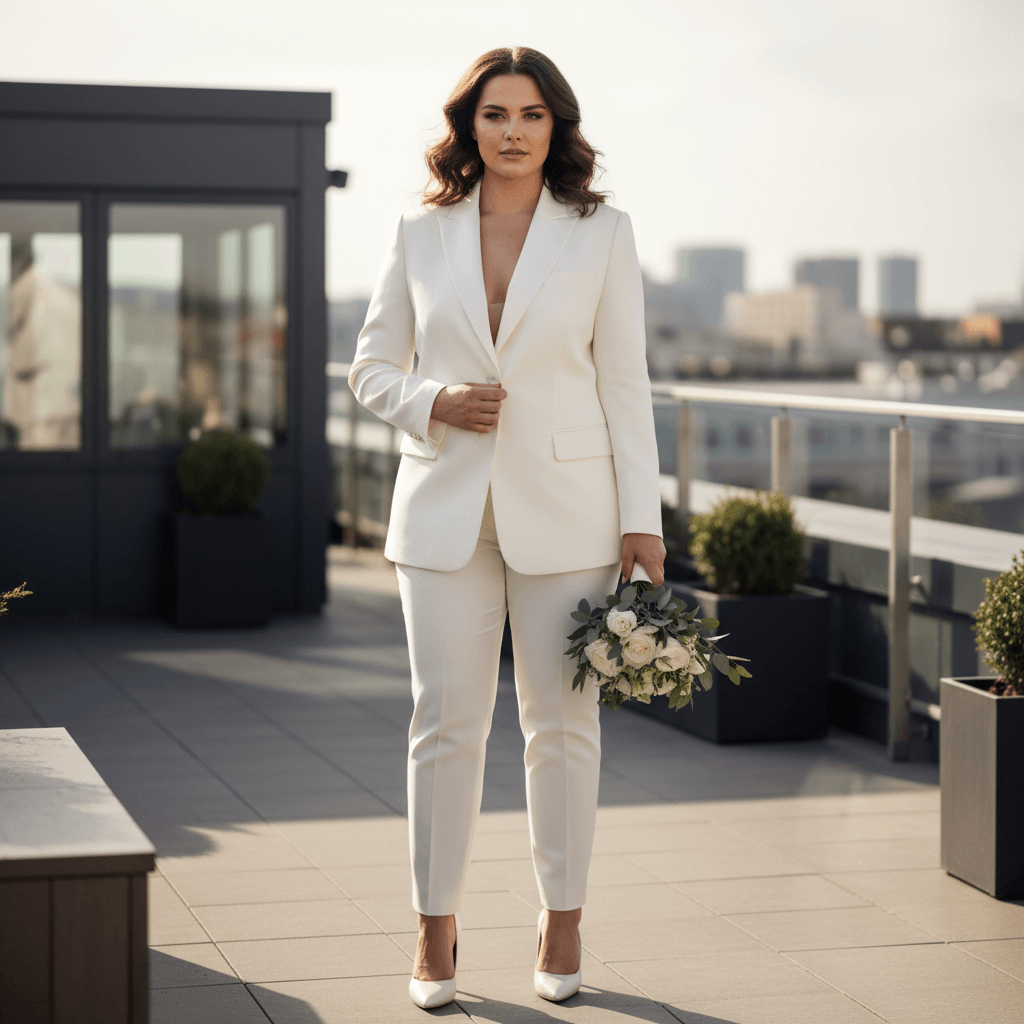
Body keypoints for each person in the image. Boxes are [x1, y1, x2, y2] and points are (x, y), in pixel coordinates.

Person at [348, 46, 664, 1009]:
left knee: (562, 725)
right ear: (469, 127)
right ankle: (433, 934)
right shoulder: (421, 226)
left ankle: (561, 919)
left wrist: (641, 524)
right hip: (442, 508)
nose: (514, 131)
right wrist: (435, 398)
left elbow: (624, 385)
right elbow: (369, 369)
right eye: (496, 114)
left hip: (570, 512)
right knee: (443, 723)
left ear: (556, 126)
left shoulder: (602, 232)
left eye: (532, 114)